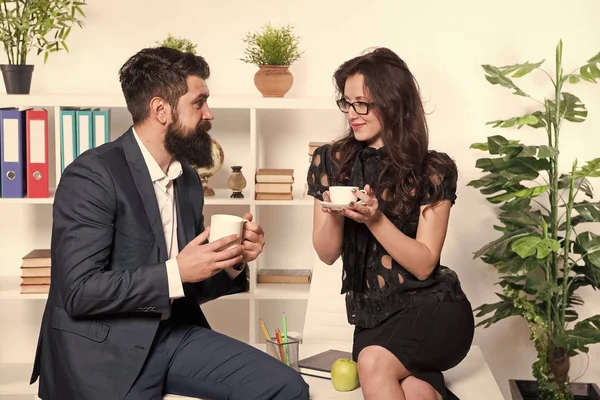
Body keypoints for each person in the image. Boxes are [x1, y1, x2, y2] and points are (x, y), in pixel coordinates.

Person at [30, 46, 309, 400]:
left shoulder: (187, 179)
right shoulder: (92, 175)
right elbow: (78, 292)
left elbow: (188, 283)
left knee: (287, 388)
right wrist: (175, 272)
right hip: (101, 353)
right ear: (161, 109)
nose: (209, 114)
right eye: (199, 102)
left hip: (170, 337)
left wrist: (233, 261)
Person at [307, 47, 474, 400]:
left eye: (362, 104)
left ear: (393, 103)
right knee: (414, 390)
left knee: (372, 364)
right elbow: (326, 253)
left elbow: (425, 263)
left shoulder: (433, 169)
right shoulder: (329, 159)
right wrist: (332, 210)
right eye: (347, 103)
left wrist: (375, 219)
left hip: (434, 310)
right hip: (371, 318)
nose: (352, 114)